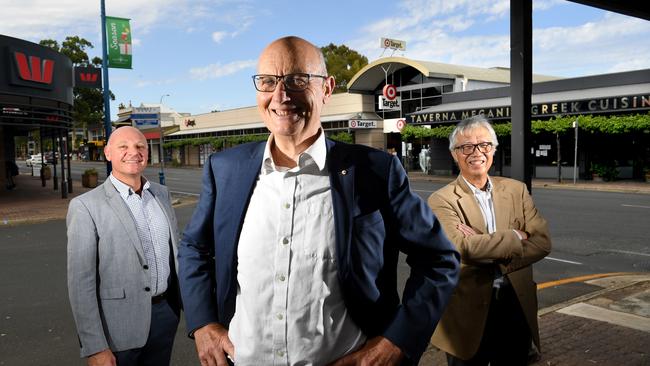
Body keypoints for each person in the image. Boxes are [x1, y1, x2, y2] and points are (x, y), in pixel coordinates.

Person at [178, 36, 460, 366]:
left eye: (297, 80)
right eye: (268, 81)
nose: (281, 96)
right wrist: (202, 324)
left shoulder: (375, 172)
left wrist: (393, 343)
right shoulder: (226, 170)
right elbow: (194, 248)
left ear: (327, 89)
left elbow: (439, 260)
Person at [427, 115, 552, 366]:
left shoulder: (517, 190)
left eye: (484, 145)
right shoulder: (441, 200)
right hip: (467, 313)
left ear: (493, 149)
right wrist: (516, 236)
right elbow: (462, 248)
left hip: (515, 305)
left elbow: (542, 243)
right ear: (454, 154)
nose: (477, 153)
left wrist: (485, 246)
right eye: (466, 147)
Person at [66, 126, 181, 366]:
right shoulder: (86, 206)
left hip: (164, 316)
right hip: (117, 327)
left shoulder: (161, 194)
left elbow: (175, 253)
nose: (134, 152)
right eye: (123, 147)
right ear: (108, 153)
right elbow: (81, 283)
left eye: (140, 146)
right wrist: (95, 347)